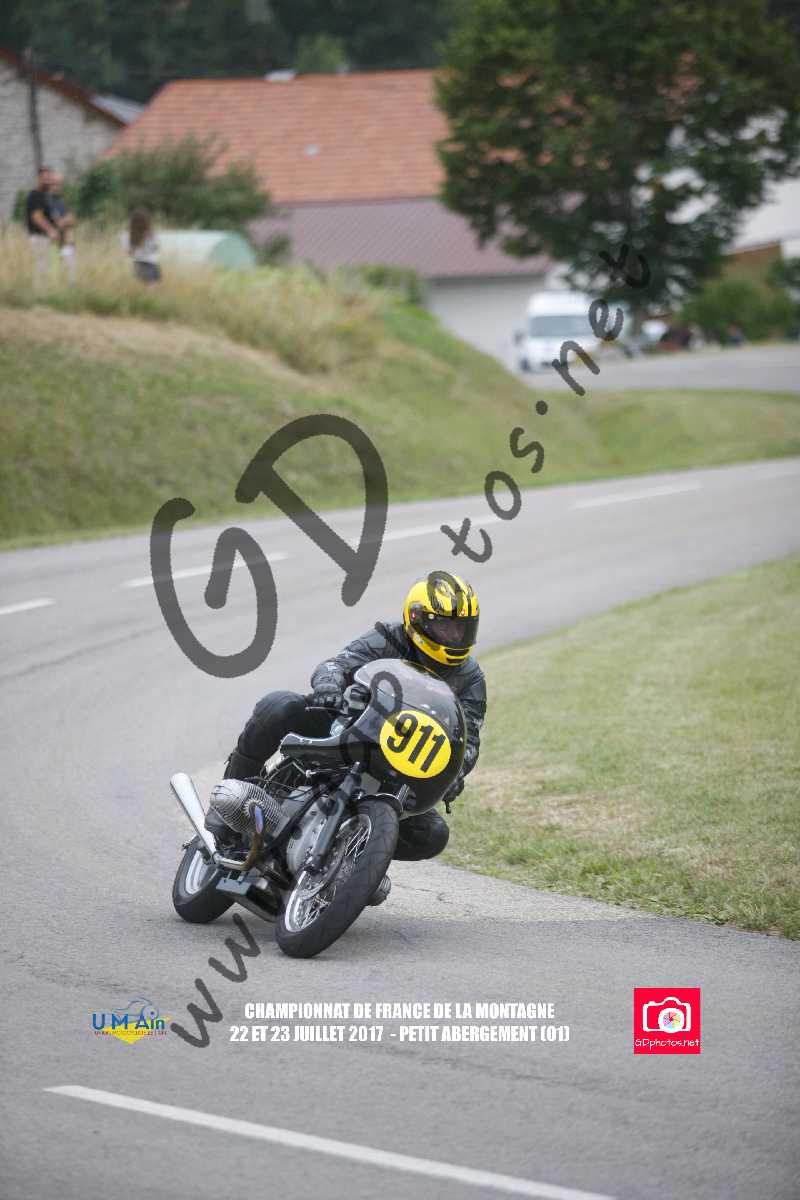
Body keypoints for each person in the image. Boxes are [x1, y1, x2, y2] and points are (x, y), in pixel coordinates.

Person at [219, 570, 487, 867]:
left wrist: (455, 774)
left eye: (461, 628)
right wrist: (329, 686)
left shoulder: (470, 678)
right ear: (417, 618)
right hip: (352, 729)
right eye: (445, 625)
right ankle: (226, 807)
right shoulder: (388, 637)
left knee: (433, 834)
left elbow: (468, 739)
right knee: (278, 705)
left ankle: (353, 859)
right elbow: (338, 664)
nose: (454, 636)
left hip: (403, 765)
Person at [25, 166, 59, 289]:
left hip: (44, 237)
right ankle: (39, 293)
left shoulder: (45, 196)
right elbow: (37, 217)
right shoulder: (36, 195)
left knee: (45, 267)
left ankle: (43, 293)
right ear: (39, 178)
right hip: (38, 237)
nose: (47, 181)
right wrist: (51, 230)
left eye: (49, 178)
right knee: (41, 267)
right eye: (45, 178)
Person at [46, 172, 76, 284]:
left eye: (61, 184)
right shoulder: (47, 200)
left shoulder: (61, 201)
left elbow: (73, 220)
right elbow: (59, 222)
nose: (59, 187)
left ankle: (70, 288)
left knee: (70, 272)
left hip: (65, 242)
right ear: (51, 184)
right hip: (52, 242)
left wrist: (66, 220)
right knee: (54, 274)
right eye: (57, 184)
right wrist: (66, 220)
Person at [127, 208, 161, 282]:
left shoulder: (150, 235)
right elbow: (155, 248)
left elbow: (130, 253)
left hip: (146, 263)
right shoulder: (150, 234)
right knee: (151, 286)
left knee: (147, 285)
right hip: (147, 263)